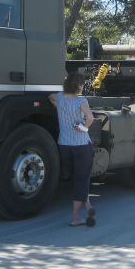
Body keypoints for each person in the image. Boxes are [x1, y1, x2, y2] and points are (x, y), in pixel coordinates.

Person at [49, 72, 96, 227]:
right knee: (82, 179)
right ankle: (76, 218)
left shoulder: (59, 98)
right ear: (78, 85)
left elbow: (51, 97)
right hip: (81, 145)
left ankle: (88, 205)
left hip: (64, 145)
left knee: (75, 178)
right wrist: (83, 128)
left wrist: (60, 106)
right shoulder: (81, 100)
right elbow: (90, 119)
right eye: (82, 84)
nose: (83, 86)